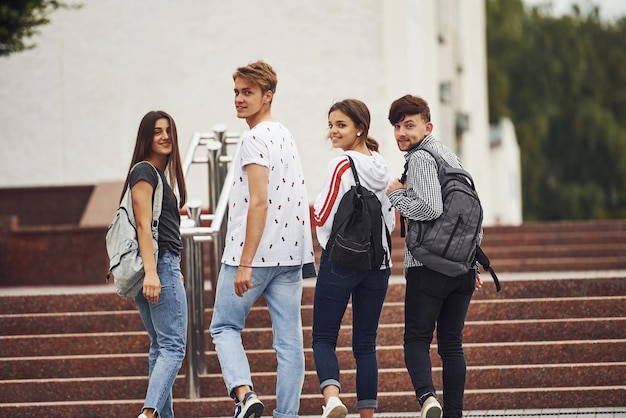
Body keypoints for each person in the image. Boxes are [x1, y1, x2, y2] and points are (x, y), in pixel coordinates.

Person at [209, 61, 316, 418]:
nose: (239, 99)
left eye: (247, 92)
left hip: (254, 255)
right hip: (290, 256)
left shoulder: (254, 139)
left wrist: (245, 262)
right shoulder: (285, 134)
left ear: (267, 96)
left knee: (224, 326)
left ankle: (245, 396)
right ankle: (286, 415)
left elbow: (259, 201)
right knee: (289, 344)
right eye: (236, 92)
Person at [385, 95, 483, 418]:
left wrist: (395, 195)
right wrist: (472, 259)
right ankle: (454, 413)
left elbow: (429, 207)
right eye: (397, 126)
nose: (402, 133)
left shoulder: (421, 158)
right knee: (451, 344)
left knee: (415, 339)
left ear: (427, 126)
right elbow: (470, 212)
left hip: (427, 266)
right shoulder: (450, 157)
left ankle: (428, 399)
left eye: (409, 125)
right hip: (461, 268)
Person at [312, 99, 396, 418]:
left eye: (341, 125)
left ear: (359, 129)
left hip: (343, 262)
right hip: (378, 264)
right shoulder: (381, 164)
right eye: (331, 125)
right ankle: (366, 415)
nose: (333, 131)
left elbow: (323, 213)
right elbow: (389, 220)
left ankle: (332, 399)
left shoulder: (342, 164)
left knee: (323, 337)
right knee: (365, 343)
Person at [122, 110, 188, 418]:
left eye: (169, 131)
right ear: (146, 137)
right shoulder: (145, 172)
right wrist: (152, 273)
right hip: (158, 266)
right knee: (174, 347)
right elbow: (142, 225)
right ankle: (149, 414)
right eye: (157, 131)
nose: (164, 136)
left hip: (156, 267)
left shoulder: (157, 176)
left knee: (161, 348)